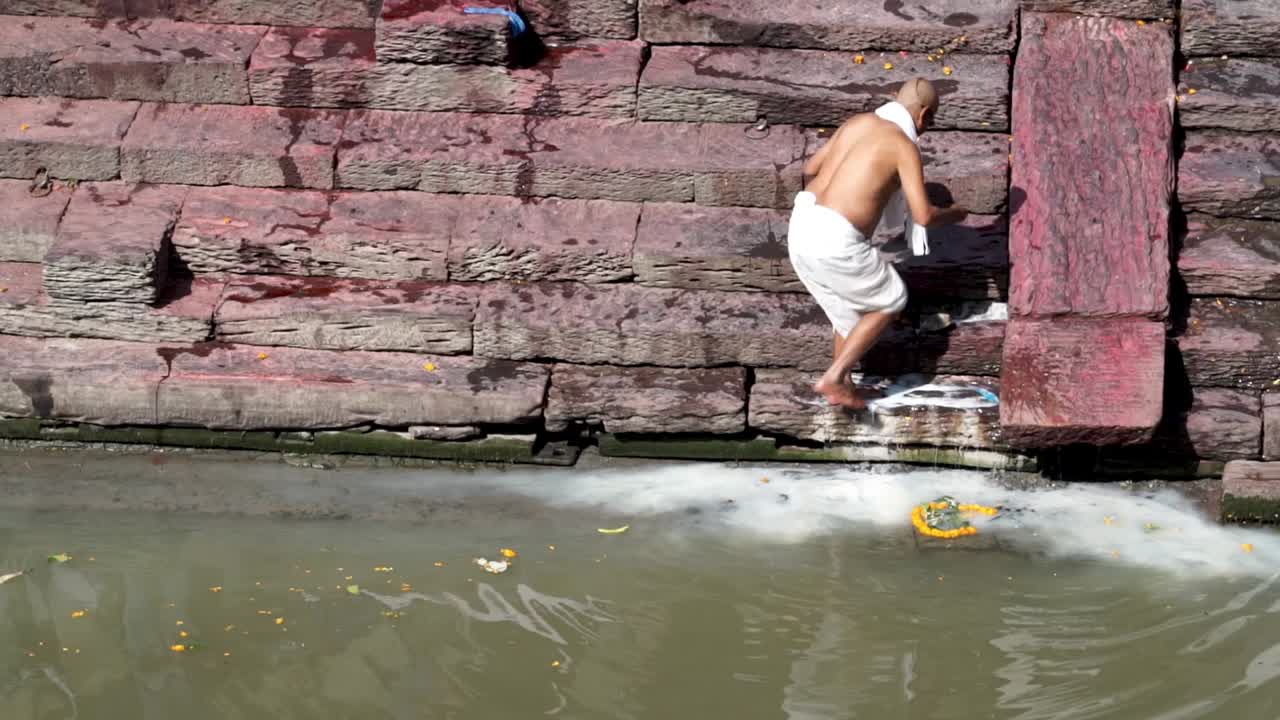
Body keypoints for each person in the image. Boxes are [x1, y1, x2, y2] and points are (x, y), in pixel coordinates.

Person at [789, 78, 970, 410]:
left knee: (848, 312)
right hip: (834, 234)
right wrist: (956, 214)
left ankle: (843, 389)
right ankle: (834, 376)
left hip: (802, 223)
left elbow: (811, 167)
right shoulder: (902, 145)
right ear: (924, 115)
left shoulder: (858, 122)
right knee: (891, 299)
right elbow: (925, 215)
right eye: (930, 121)